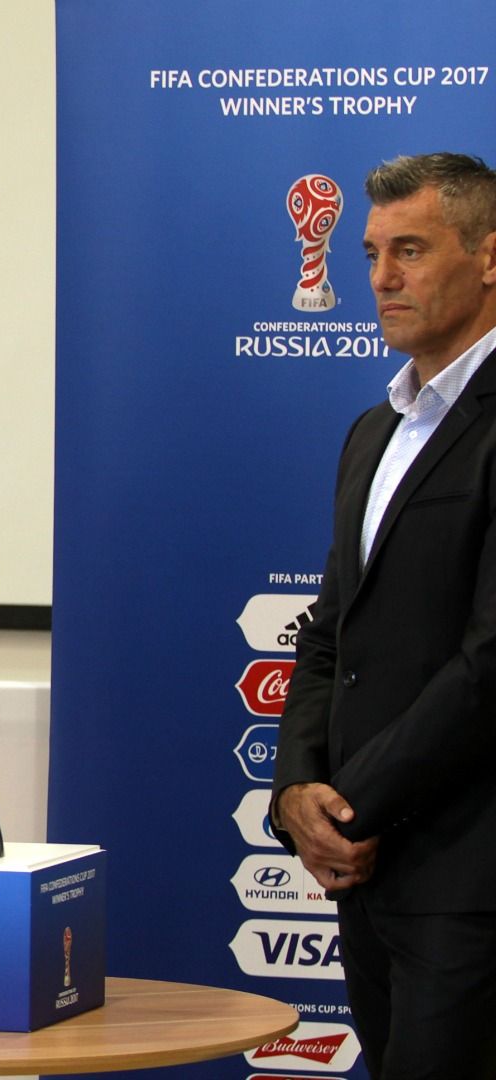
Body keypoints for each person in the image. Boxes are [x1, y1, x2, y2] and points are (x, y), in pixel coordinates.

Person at [274, 152, 496, 1078]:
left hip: (473, 877)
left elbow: (490, 663)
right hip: (366, 878)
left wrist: (352, 806)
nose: (381, 279)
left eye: (410, 249)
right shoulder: (376, 430)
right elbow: (330, 631)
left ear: (490, 258)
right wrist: (296, 795)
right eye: (371, 253)